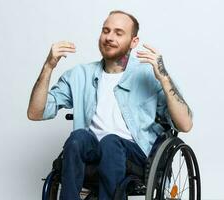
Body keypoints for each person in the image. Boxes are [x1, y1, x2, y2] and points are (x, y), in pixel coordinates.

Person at [27, 10, 193, 200]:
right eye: (106, 31)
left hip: (135, 155)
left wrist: (163, 77)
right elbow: (35, 112)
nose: (109, 37)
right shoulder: (80, 75)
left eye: (118, 33)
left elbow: (185, 125)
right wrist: (49, 66)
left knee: (111, 142)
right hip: (93, 153)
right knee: (78, 137)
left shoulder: (148, 75)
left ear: (134, 42)